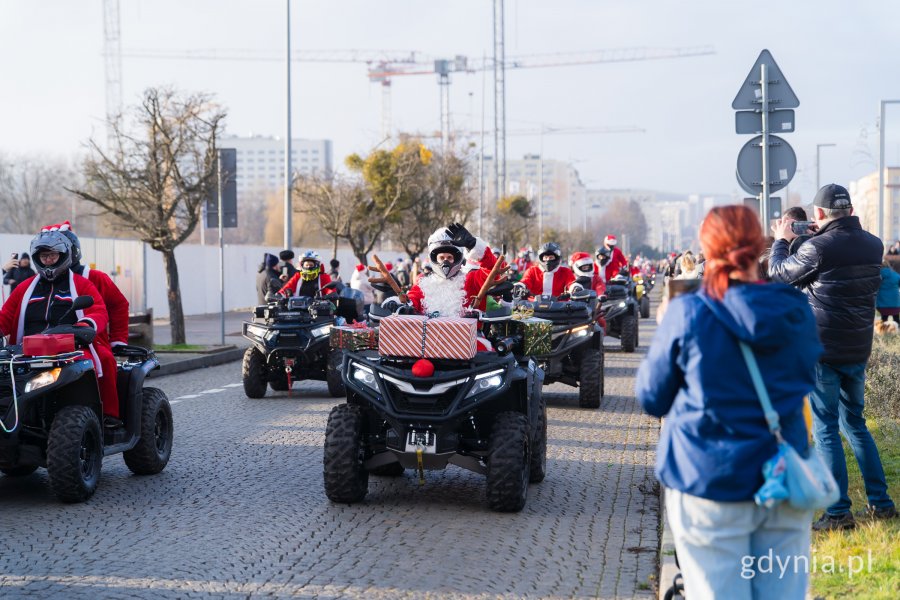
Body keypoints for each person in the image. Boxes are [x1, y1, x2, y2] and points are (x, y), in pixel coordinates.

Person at [637, 205, 822, 599]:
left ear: (708, 249)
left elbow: (653, 398)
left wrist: (668, 326)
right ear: (758, 246)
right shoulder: (794, 310)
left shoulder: (688, 313)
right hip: (782, 478)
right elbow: (805, 375)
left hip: (709, 479)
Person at [768, 183, 897, 530]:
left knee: (826, 428)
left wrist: (782, 240)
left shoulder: (818, 247)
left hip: (822, 351)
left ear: (819, 214)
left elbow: (779, 274)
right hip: (857, 348)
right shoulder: (873, 244)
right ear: (851, 211)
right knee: (855, 424)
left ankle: (838, 511)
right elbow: (833, 264)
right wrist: (814, 237)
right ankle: (881, 503)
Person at [0, 230, 121, 423]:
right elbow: (5, 316)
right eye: (44, 256)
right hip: (26, 350)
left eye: (52, 255)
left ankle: (109, 416)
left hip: (72, 347)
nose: (48, 260)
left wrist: (84, 325)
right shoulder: (25, 287)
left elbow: (98, 311)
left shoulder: (82, 284)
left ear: (63, 256)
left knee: (104, 359)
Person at [387, 223, 501, 317]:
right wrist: (396, 303)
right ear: (434, 259)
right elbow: (411, 300)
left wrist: (474, 245)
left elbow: (493, 271)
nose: (445, 262)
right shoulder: (424, 284)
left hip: (467, 337)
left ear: (457, 258)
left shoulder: (471, 280)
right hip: (429, 336)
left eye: (449, 257)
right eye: (441, 258)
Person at [53, 222, 130, 351]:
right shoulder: (37, 282)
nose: (52, 258)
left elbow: (119, 305)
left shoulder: (95, 278)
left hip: (89, 347)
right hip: (41, 347)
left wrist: (117, 340)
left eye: (57, 253)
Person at [515, 242, 579, 298]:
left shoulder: (565, 271)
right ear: (541, 258)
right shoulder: (532, 271)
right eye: (545, 257)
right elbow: (526, 280)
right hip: (533, 305)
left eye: (551, 257)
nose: (548, 260)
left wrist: (575, 287)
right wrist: (520, 285)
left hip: (560, 305)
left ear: (557, 258)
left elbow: (571, 283)